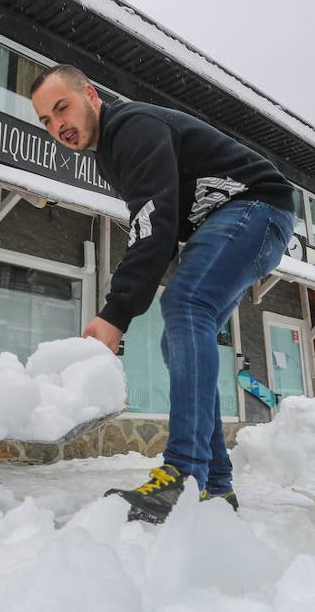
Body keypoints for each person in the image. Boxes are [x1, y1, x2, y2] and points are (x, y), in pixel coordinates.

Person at [30, 64, 294, 524]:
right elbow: (155, 226)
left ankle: (182, 475)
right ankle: (215, 485)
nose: (58, 127)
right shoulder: (111, 152)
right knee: (178, 336)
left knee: (185, 303)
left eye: (62, 108)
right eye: (47, 122)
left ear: (90, 94)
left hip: (256, 206)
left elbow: (153, 226)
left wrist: (116, 312)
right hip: (231, 220)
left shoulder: (132, 127)